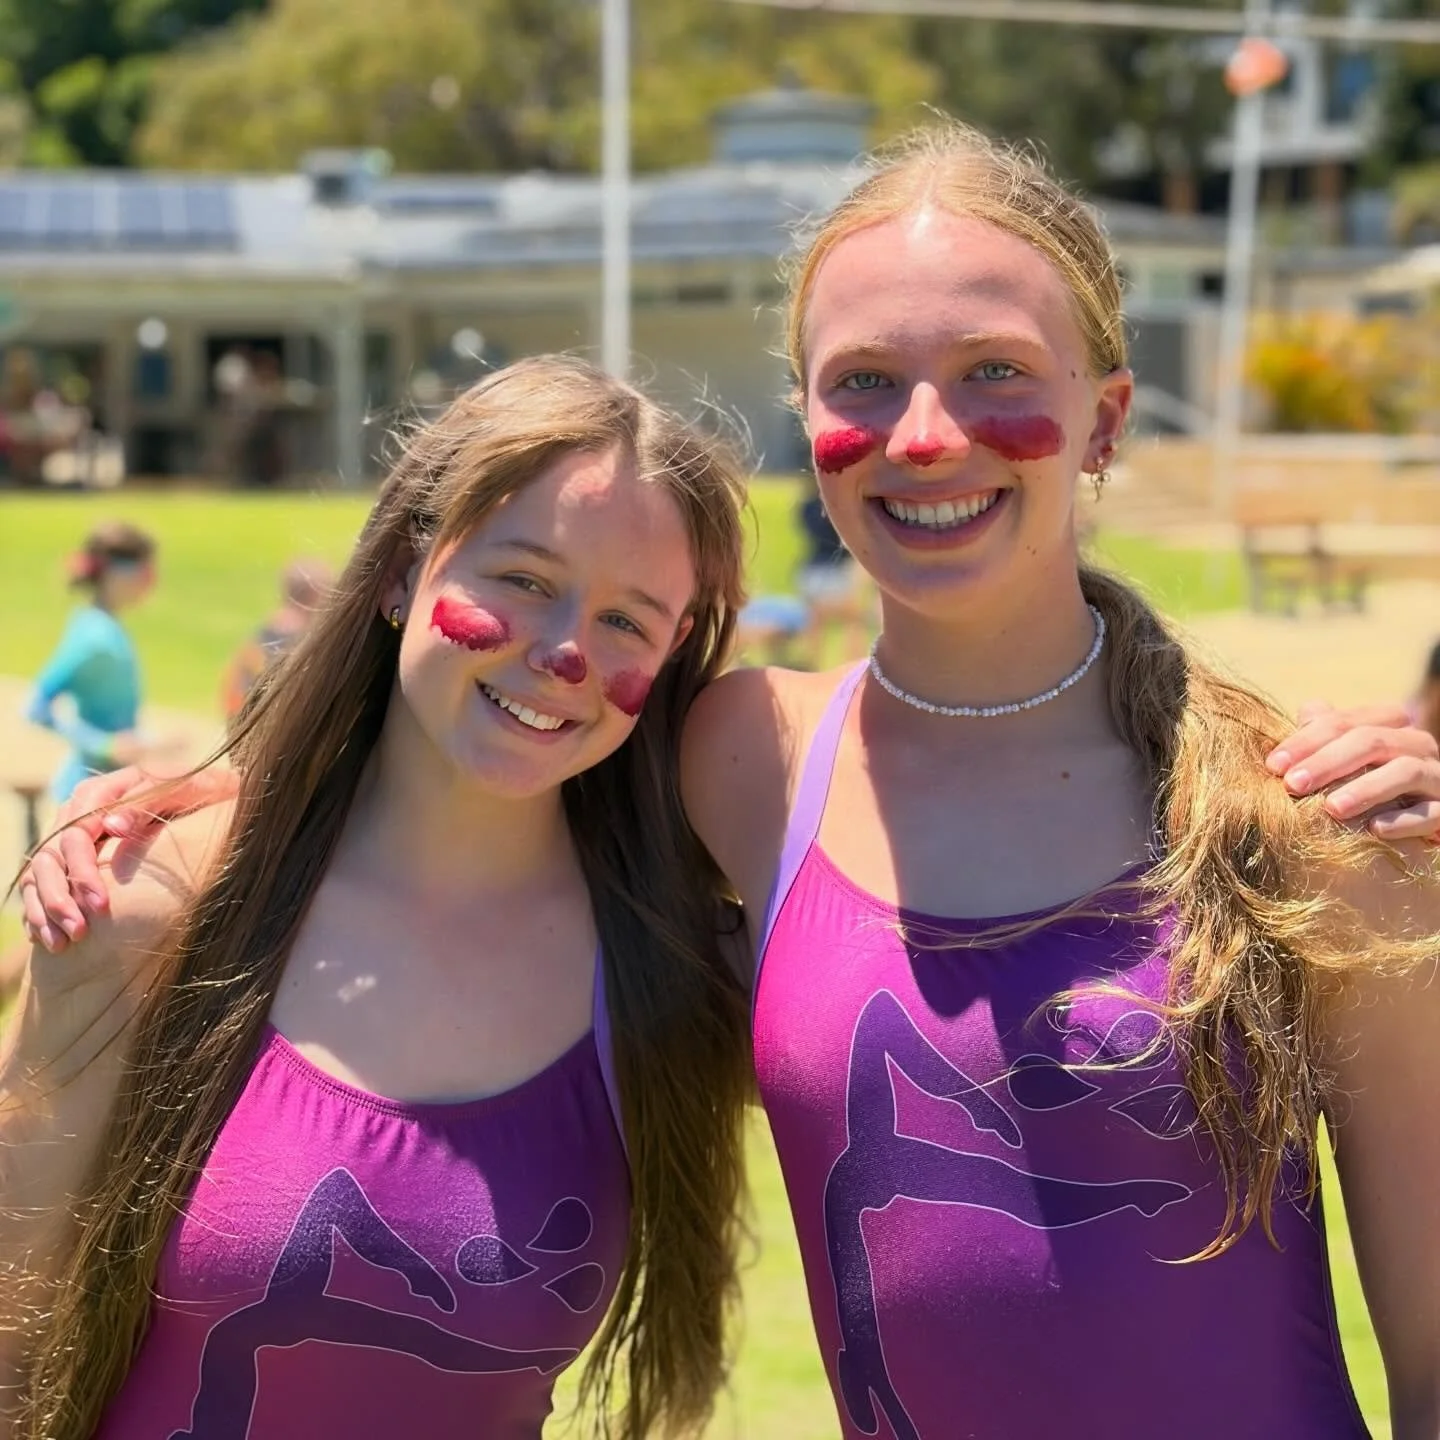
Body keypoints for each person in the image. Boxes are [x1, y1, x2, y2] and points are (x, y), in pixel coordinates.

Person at [20, 132, 1440, 1439]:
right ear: (807, 423)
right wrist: (204, 807)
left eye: (998, 369)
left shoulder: (1295, 815)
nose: (926, 433)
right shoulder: (748, 758)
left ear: (1108, 417)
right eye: (865, 381)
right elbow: (483, 745)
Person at [2, 357, 753, 1440]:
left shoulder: (676, 970)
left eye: (629, 621)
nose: (564, 653)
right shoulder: (150, 902)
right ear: (406, 569)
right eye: (526, 578)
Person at [24, 523, 165, 802]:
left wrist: (150, 742)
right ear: (118, 574)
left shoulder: (107, 627)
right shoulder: (95, 636)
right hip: (86, 795)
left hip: (109, 790)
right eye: (145, 573)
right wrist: (104, 744)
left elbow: (117, 721)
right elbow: (35, 708)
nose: (149, 584)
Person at [219, 557, 335, 724]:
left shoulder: (262, 633)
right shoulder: (304, 640)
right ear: (314, 594)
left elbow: (233, 693)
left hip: (242, 724)